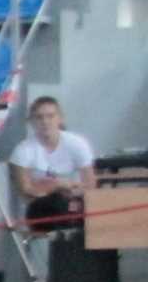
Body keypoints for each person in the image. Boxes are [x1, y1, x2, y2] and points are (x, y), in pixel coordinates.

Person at [10, 95, 97, 230]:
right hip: (40, 209)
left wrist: (47, 186)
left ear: (60, 118)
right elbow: (26, 191)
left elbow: (90, 184)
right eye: (39, 117)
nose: (45, 122)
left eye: (50, 116)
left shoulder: (78, 144)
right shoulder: (22, 150)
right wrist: (58, 185)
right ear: (31, 121)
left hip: (73, 203)